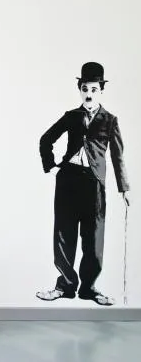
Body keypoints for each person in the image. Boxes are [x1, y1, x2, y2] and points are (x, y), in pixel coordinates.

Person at [37, 62, 130, 306]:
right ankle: (65, 286)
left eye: (94, 89)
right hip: (68, 180)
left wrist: (124, 188)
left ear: (101, 91)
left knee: (94, 237)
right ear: (80, 89)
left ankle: (89, 288)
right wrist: (52, 165)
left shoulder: (110, 120)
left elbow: (117, 156)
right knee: (64, 234)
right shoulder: (71, 116)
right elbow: (46, 139)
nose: (89, 94)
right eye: (85, 89)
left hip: (94, 183)